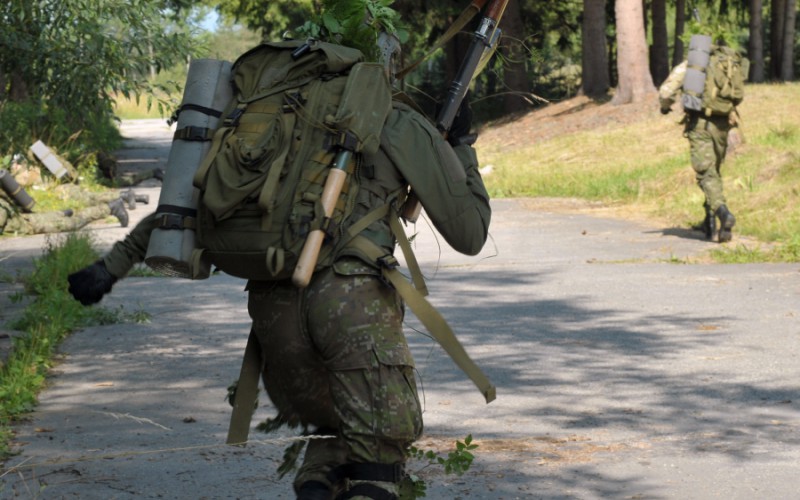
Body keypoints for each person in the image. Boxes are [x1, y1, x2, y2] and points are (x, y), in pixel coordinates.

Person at [67, 16, 491, 500]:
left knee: (332, 443)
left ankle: (316, 484)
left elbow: (187, 206)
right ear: (387, 66)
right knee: (377, 463)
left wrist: (110, 267)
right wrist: (461, 145)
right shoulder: (392, 118)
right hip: (351, 312)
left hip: (275, 322)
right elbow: (470, 232)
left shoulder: (262, 116)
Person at [658, 60, 737, 243]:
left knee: (706, 174)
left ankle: (722, 212)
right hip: (724, 123)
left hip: (700, 125)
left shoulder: (690, 65)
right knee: (714, 172)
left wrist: (665, 107)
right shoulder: (727, 64)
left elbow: (666, 92)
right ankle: (708, 221)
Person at [1, 179, 129, 236]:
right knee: (61, 217)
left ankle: (111, 208)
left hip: (27, 225)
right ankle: (62, 214)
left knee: (73, 223)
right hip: (24, 220)